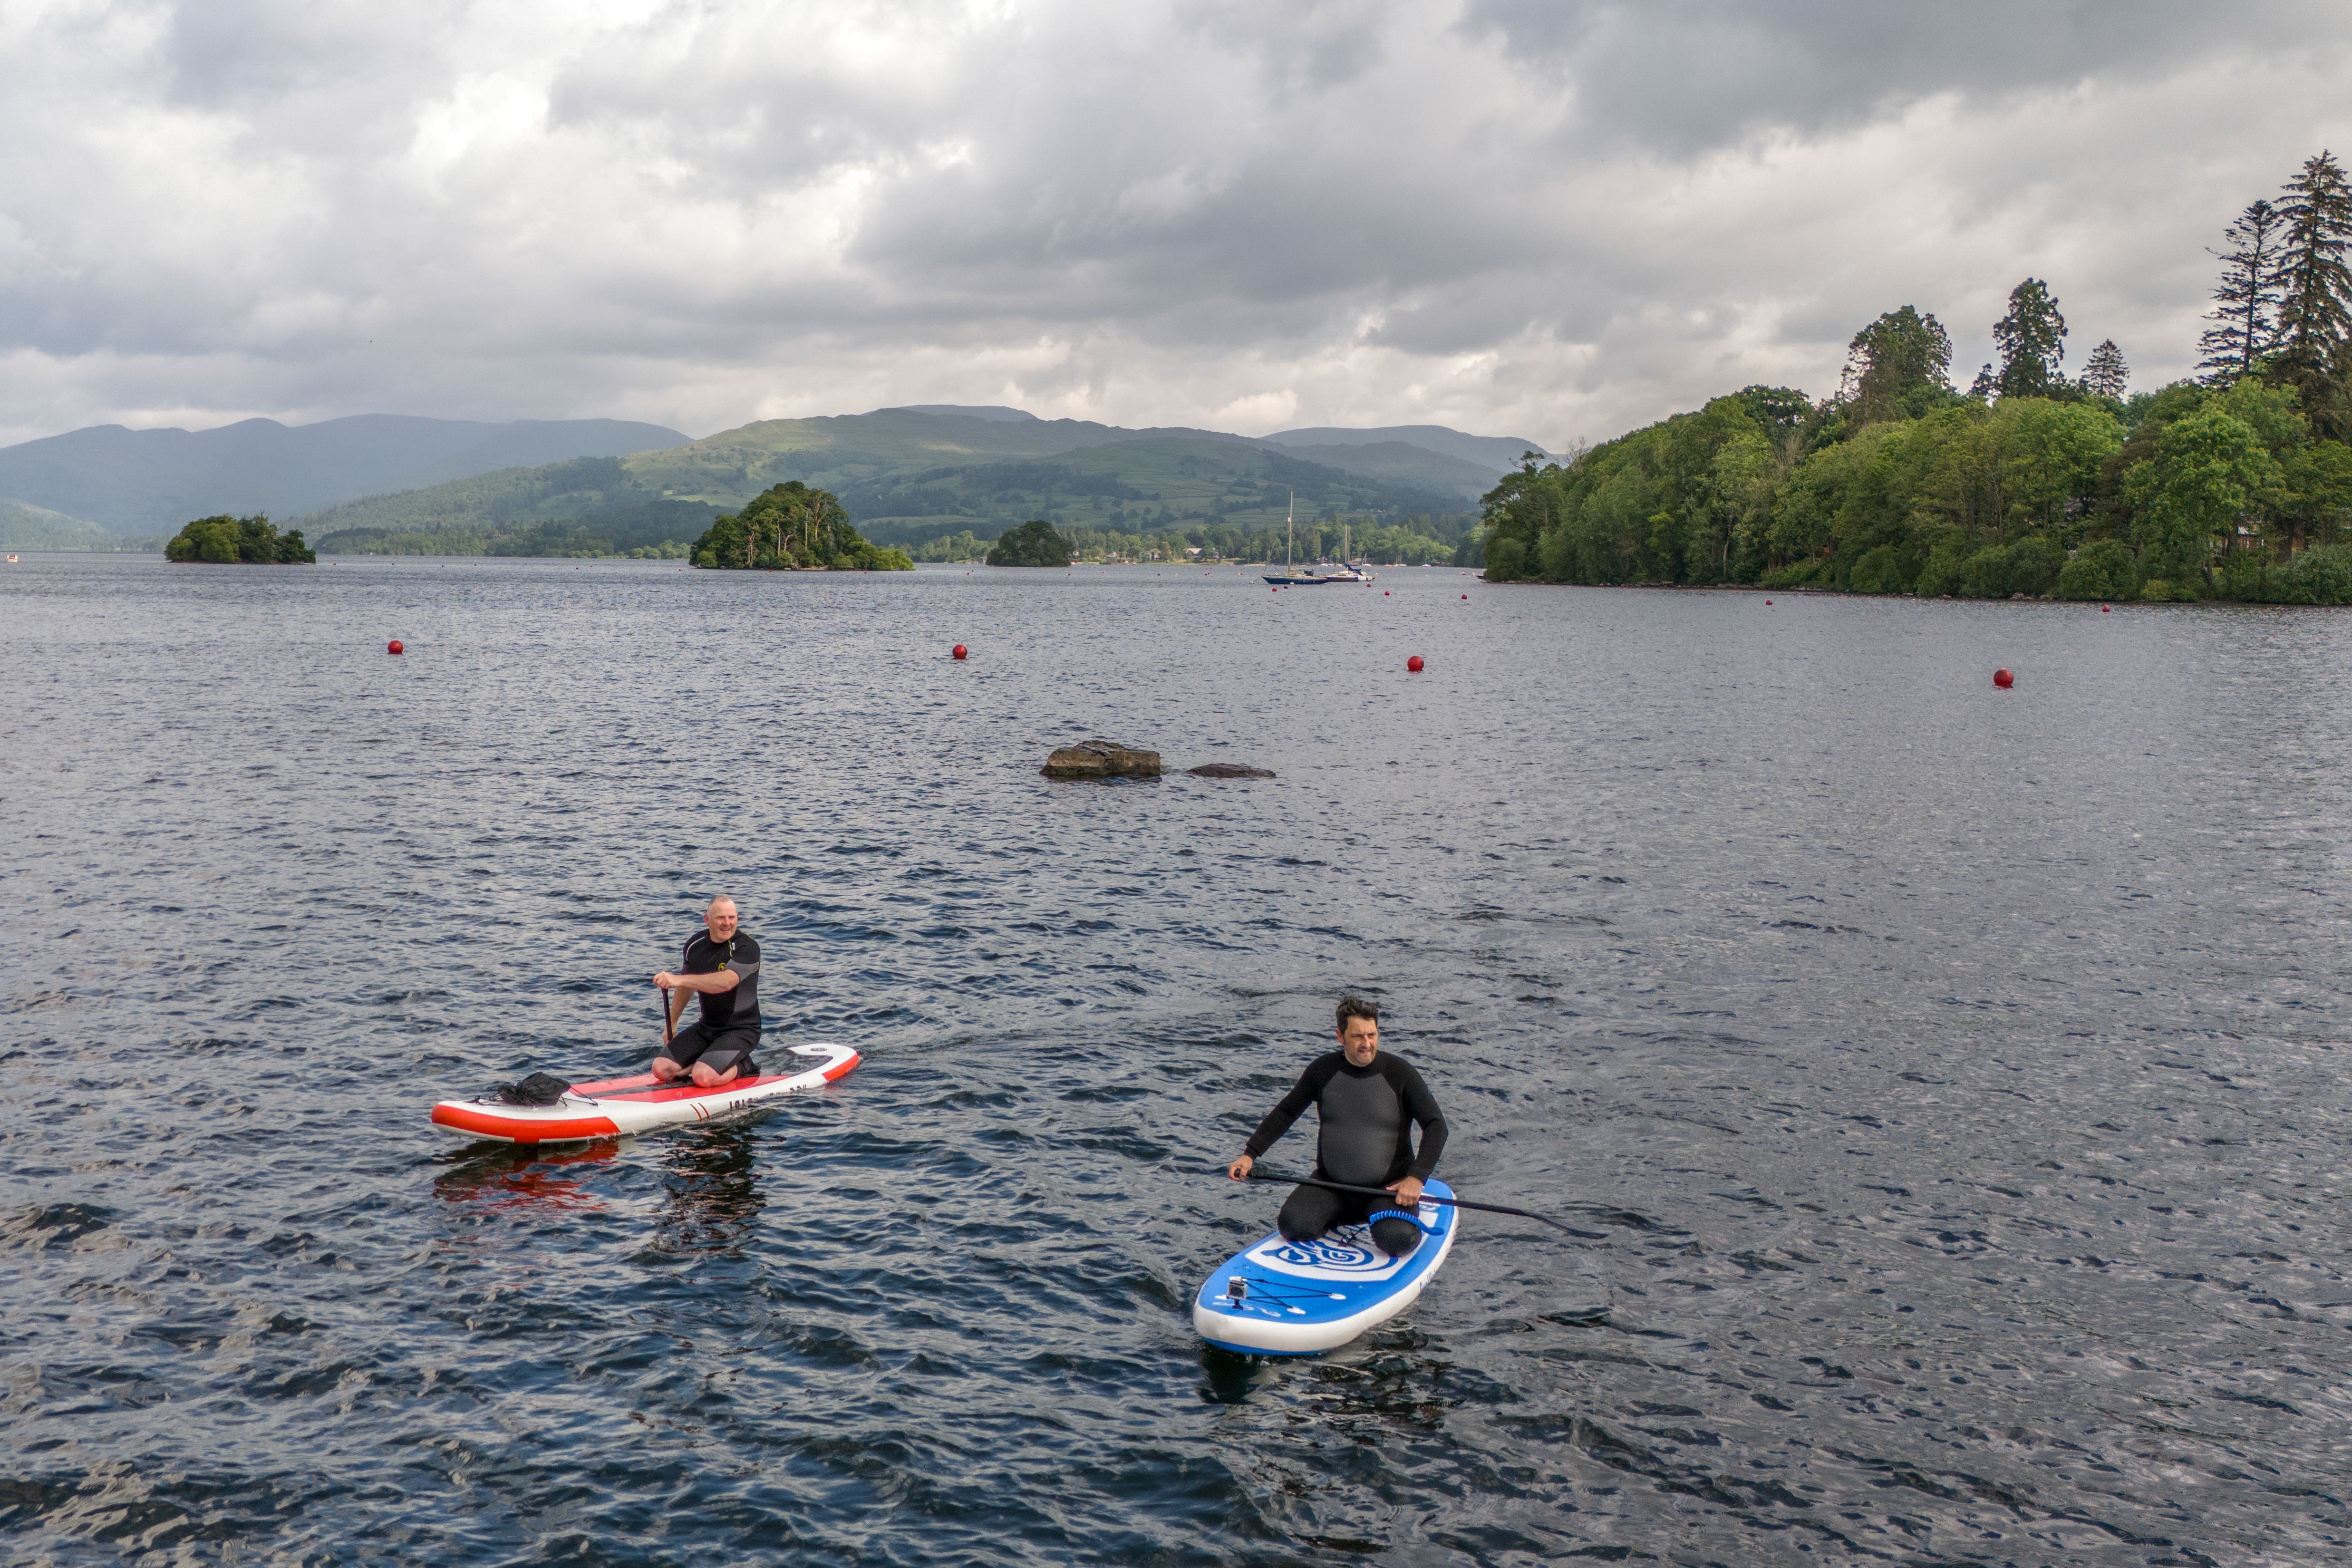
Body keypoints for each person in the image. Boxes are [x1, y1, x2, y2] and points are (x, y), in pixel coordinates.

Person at [1227, 996, 1446, 1258]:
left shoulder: (1400, 1073)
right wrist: (1250, 1154)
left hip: (1388, 1190)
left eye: (1372, 1035)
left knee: (1397, 1241)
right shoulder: (1323, 1070)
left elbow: (1436, 1126)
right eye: (1358, 1037)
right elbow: (1286, 1112)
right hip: (1332, 1186)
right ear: (1340, 1037)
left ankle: (1379, 1220)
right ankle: (1342, 1216)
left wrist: (1416, 1178)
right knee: (1293, 1227)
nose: (1367, 1044)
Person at [651, 896, 763, 1087]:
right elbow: (687, 987)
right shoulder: (695, 946)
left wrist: (679, 979)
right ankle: (703, 1064)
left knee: (703, 1077)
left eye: (732, 918)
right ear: (707, 920)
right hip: (708, 1027)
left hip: (741, 1030)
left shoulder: (748, 947)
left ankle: (744, 1065)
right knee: (661, 1069)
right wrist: (673, 1021)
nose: (727, 923)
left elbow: (727, 982)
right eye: (721, 918)